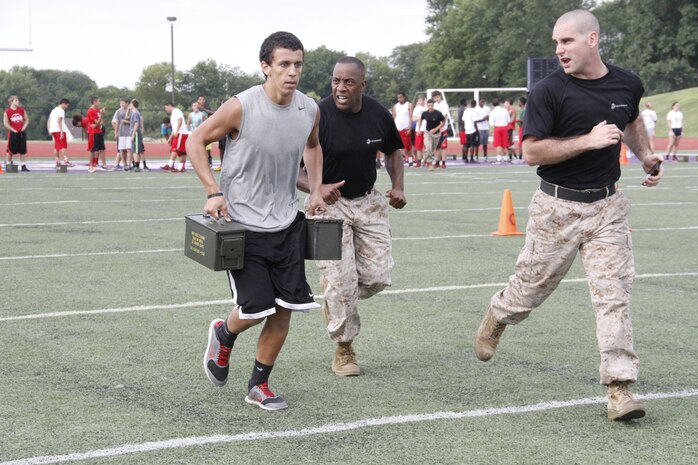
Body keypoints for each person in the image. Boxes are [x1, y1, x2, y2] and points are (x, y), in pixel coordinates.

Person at [473, 9, 663, 422]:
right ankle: (499, 313)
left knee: (613, 295)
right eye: (556, 43)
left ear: (592, 40)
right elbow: (531, 153)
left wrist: (646, 156)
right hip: (556, 207)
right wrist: (589, 141)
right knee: (529, 291)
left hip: (608, 208)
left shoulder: (627, 83)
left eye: (567, 41)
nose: (559, 50)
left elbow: (629, 120)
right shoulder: (547, 91)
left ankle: (620, 388)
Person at [186, 31, 327, 411]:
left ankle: (259, 385)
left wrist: (314, 189)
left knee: (285, 309)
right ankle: (224, 331)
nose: (292, 72)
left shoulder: (309, 109)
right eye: (283, 64)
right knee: (255, 309)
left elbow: (313, 147)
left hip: (287, 224)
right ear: (265, 67)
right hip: (243, 225)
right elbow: (195, 141)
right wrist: (213, 191)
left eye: (298, 64)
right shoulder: (241, 106)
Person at [297, 56, 406, 376]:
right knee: (342, 282)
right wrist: (317, 188)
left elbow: (393, 151)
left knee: (377, 277)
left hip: (368, 202)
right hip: (326, 207)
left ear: (363, 85)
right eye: (335, 81)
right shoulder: (316, 115)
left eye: (348, 82)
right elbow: (291, 169)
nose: (340, 88)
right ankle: (344, 349)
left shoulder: (378, 114)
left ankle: (335, 289)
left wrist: (397, 185)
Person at [3, 95, 30, 171]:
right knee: (10, 150)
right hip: (13, 133)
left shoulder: (21, 110)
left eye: (18, 100)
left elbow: (27, 119)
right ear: (11, 102)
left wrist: (24, 127)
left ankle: (23, 166)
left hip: (21, 133)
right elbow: (5, 123)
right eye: (16, 100)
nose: (18, 102)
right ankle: (8, 164)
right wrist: (13, 130)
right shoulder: (7, 112)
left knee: (23, 150)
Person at [419, 99, 445, 171]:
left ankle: (424, 158)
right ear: (427, 106)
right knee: (428, 148)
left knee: (432, 150)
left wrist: (436, 129)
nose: (430, 107)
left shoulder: (438, 113)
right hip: (428, 133)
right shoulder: (425, 113)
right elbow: (420, 120)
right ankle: (430, 164)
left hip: (436, 134)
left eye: (431, 105)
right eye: (429, 105)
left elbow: (443, 122)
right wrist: (419, 129)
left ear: (433, 106)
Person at [47, 98, 74, 167]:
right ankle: (66, 161)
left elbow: (49, 120)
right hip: (59, 130)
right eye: (67, 105)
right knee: (63, 146)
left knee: (56, 146)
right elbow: (59, 121)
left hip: (53, 130)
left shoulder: (53, 110)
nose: (67, 107)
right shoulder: (61, 110)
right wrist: (61, 131)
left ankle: (57, 161)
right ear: (64, 104)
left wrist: (49, 129)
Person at [162, 102, 187, 172]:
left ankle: (170, 165)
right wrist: (170, 138)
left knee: (177, 150)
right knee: (179, 151)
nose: (165, 109)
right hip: (178, 133)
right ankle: (179, 167)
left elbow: (180, 120)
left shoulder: (176, 111)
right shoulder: (173, 113)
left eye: (166, 107)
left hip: (181, 133)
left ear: (169, 105)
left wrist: (177, 130)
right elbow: (174, 127)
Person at [392, 92, 413, 166]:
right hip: (398, 128)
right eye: (398, 98)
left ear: (404, 97)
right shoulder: (395, 106)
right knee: (398, 145)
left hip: (406, 128)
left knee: (407, 146)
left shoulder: (409, 105)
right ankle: (403, 159)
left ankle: (410, 160)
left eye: (401, 97)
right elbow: (393, 117)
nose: (399, 99)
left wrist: (410, 128)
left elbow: (411, 117)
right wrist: (392, 128)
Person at [86, 97, 106, 172]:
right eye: (98, 101)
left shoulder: (97, 110)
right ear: (94, 102)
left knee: (102, 148)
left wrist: (98, 121)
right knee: (92, 149)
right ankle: (91, 165)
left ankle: (104, 164)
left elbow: (100, 122)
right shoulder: (90, 111)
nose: (99, 103)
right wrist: (100, 116)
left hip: (99, 131)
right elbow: (97, 122)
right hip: (93, 132)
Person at [112, 98, 132, 171]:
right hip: (121, 133)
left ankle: (129, 164)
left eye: (123, 103)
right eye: (120, 103)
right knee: (122, 149)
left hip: (129, 133)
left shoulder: (131, 110)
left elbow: (135, 122)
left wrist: (126, 122)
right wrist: (116, 132)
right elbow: (116, 122)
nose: (121, 105)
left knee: (129, 149)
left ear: (127, 103)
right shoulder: (118, 111)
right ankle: (124, 165)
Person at [488, 98, 509, 164]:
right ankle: (506, 158)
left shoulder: (493, 112)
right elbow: (508, 120)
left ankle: (499, 158)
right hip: (505, 127)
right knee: (505, 144)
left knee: (498, 144)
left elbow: (491, 123)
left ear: (492, 104)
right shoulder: (505, 110)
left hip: (497, 128)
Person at [432, 90, 450, 168]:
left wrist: (442, 125)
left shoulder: (444, 104)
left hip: (443, 128)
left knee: (443, 146)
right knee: (436, 146)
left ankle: (443, 162)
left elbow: (445, 116)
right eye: (435, 97)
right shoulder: (434, 105)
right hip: (436, 128)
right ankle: (437, 161)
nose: (436, 99)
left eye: (437, 97)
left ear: (440, 96)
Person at [411, 95, 426, 167]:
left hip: (426, 129)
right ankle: (419, 161)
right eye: (419, 100)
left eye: (421, 100)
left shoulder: (427, 108)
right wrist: (420, 118)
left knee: (426, 147)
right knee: (419, 147)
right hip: (419, 129)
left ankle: (425, 160)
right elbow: (413, 118)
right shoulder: (417, 108)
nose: (419, 102)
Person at [129, 99, 145, 172]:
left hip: (135, 133)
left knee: (136, 150)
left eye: (130, 104)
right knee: (134, 150)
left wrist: (133, 134)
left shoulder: (135, 113)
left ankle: (136, 166)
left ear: (133, 104)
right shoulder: (134, 112)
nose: (129, 105)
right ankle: (135, 165)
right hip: (135, 132)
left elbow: (136, 123)